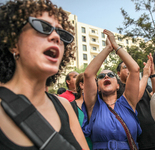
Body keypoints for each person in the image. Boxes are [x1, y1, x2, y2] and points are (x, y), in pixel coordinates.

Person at [0, 0, 89, 150]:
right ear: (14, 42)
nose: (56, 37)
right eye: (42, 27)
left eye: (62, 33)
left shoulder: (64, 106)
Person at [82, 29, 142, 150]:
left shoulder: (128, 103)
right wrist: (108, 49)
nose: (106, 76)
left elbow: (135, 69)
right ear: (97, 86)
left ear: (118, 85)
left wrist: (115, 45)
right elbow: (88, 74)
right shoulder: (93, 106)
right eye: (101, 76)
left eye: (111, 75)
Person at [117, 54, 155, 150]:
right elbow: (135, 96)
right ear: (118, 73)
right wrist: (145, 75)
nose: (131, 69)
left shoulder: (145, 85)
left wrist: (153, 74)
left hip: (152, 138)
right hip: (132, 141)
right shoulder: (117, 89)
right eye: (126, 67)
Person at [70, 73, 93, 150]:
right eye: (92, 81)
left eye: (96, 81)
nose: (95, 84)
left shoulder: (100, 106)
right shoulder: (71, 107)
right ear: (81, 85)